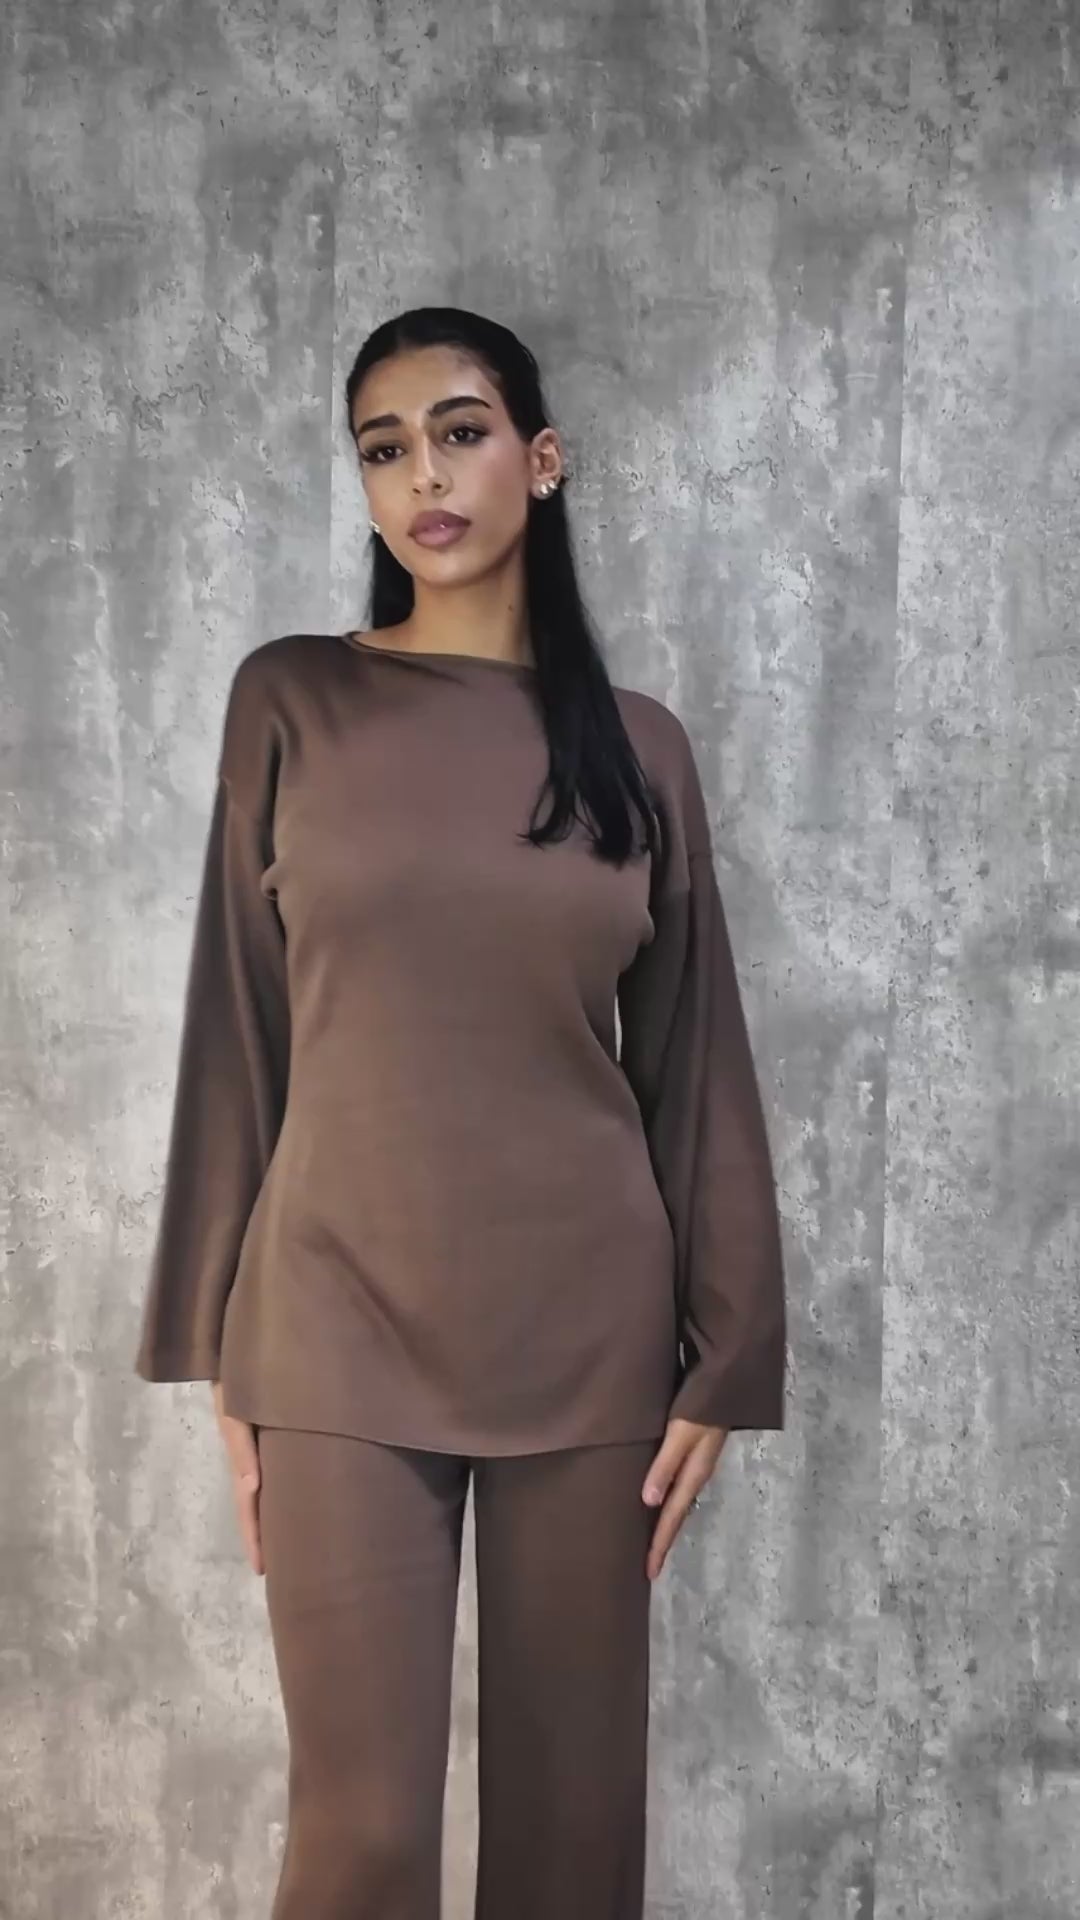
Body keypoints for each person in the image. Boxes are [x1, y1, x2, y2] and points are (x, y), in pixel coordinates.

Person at [135, 304, 787, 1920]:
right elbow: (238, 1025)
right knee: (360, 1840)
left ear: (541, 460)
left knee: (573, 1838)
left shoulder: (639, 751)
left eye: (461, 430)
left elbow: (693, 1060)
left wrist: (730, 1350)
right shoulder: (291, 700)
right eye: (384, 448)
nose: (423, 473)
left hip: (589, 1335)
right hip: (334, 1319)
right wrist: (218, 1341)